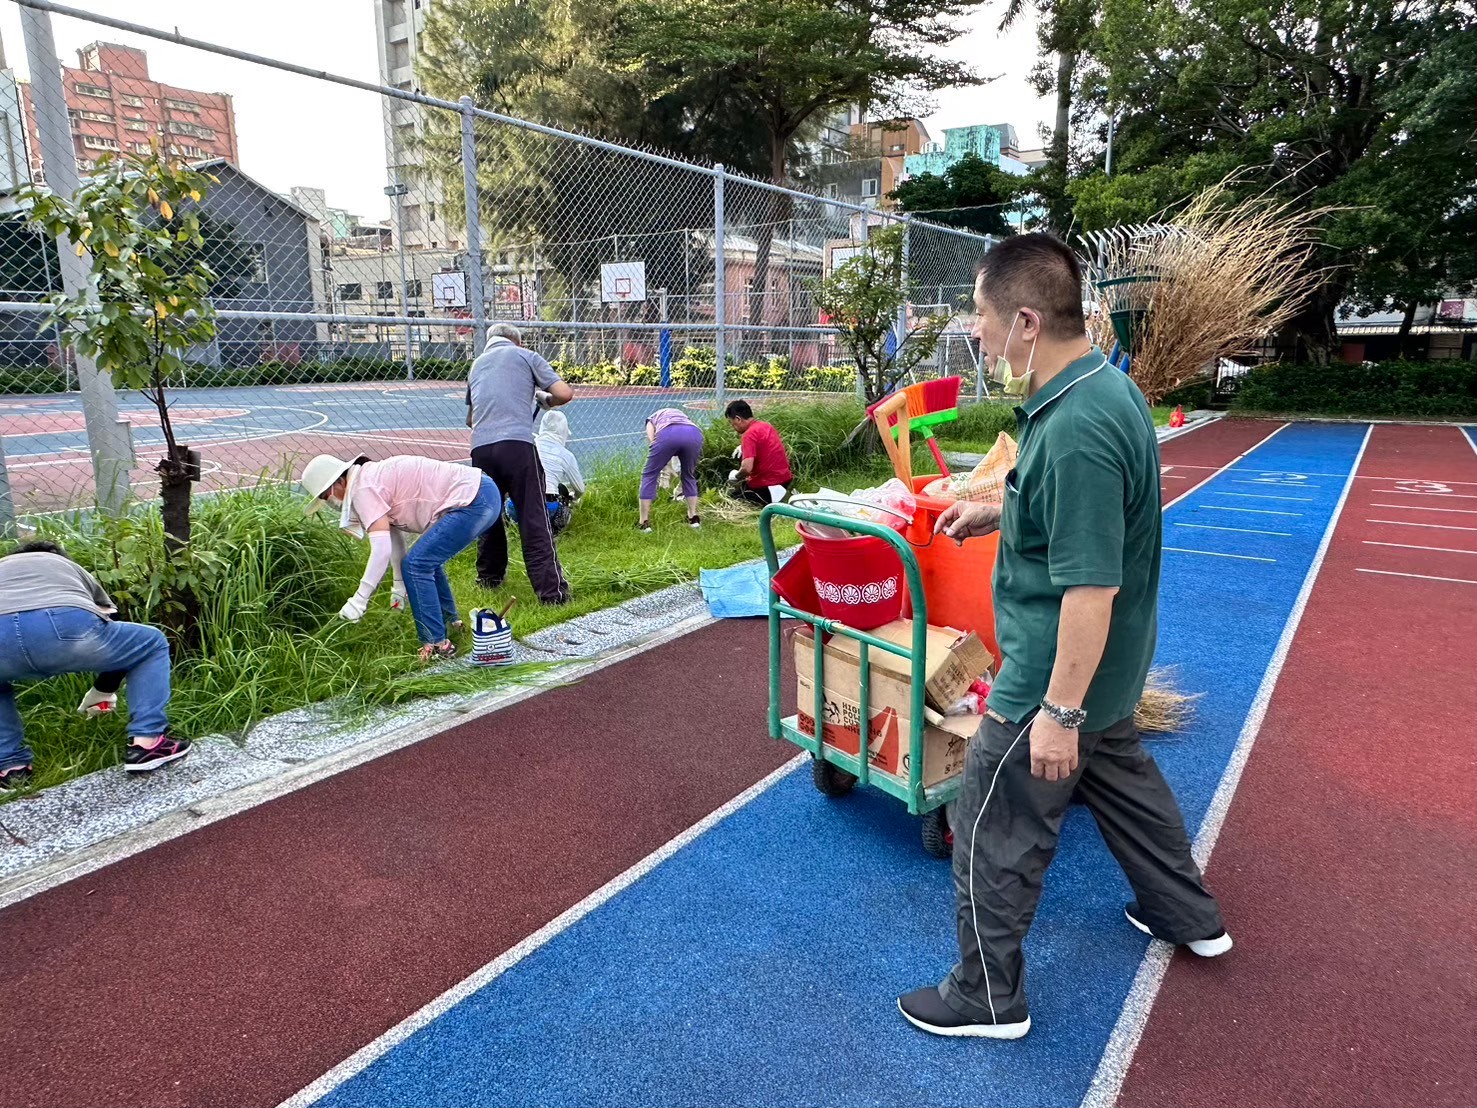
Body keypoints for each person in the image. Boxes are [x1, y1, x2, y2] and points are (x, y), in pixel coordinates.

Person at [897, 234, 1230, 1041]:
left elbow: (1089, 584)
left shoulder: (1076, 425)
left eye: (978, 317)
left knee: (994, 821)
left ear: (1022, 321)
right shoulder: (1102, 390)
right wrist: (997, 510)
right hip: (1110, 669)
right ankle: (1184, 912)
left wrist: (1058, 713)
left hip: (1056, 671)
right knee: (1123, 782)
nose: (973, 333)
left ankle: (985, 996)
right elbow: (1079, 517)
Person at [0, 541, 190, 790]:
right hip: (62, 625)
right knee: (150, 643)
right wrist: (104, 689)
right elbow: (112, 623)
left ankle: (10, 767)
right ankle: (148, 741)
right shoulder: (68, 566)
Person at [299, 453, 502, 662]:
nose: (329, 502)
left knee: (417, 565)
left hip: (474, 500)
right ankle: (452, 625)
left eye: (325, 495)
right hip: (481, 493)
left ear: (339, 481)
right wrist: (398, 585)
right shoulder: (368, 478)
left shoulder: (362, 489)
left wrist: (359, 600)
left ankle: (437, 645)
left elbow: (381, 550)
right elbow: (394, 539)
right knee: (425, 561)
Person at [466, 323, 574, 604]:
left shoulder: (476, 365)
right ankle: (551, 593)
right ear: (516, 340)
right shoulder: (525, 355)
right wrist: (542, 398)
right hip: (517, 446)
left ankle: (489, 578)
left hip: (481, 449)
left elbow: (470, 419)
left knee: (488, 514)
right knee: (532, 517)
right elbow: (564, 394)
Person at [638, 406, 703, 532]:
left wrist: (659, 450)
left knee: (649, 475)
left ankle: (644, 522)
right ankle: (693, 519)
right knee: (689, 475)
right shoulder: (684, 418)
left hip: (668, 434)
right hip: (694, 433)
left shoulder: (651, 419)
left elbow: (652, 440)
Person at [724, 399, 793, 506]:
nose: (733, 427)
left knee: (732, 497)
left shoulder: (749, 435)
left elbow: (747, 469)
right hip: (784, 481)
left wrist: (735, 477)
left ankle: (769, 500)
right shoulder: (766, 426)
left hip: (767, 485)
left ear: (738, 419)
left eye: (731, 423)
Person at [535, 409, 585, 535]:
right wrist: (574, 497)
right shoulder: (566, 455)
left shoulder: (529, 445)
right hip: (548, 505)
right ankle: (554, 530)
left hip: (517, 504)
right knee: (561, 490)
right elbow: (580, 489)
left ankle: (514, 524)